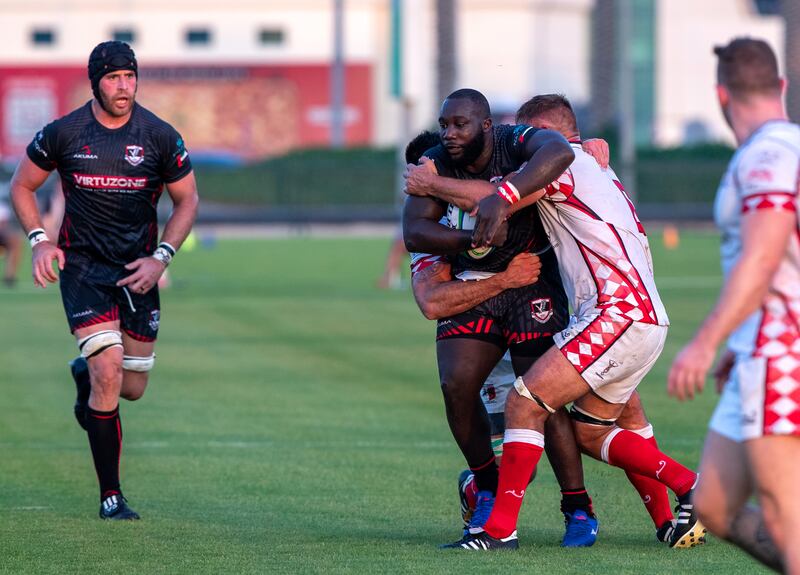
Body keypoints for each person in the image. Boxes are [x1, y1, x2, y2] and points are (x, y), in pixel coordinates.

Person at [425, 94, 702, 551]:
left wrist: (427, 181)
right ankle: (681, 499)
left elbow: (489, 200)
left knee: (525, 401)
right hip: (639, 315)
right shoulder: (597, 166)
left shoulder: (565, 162)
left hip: (616, 312)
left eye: (523, 140)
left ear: (545, 137)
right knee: (595, 430)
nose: (516, 150)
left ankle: (498, 532)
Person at [10, 40, 198, 520]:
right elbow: (23, 185)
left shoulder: (158, 135)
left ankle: (82, 375)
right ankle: (111, 496)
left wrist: (161, 258)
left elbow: (187, 201)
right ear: (95, 82)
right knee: (108, 369)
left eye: (130, 77)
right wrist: (39, 240)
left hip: (138, 272)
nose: (124, 86)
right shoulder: (65, 133)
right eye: (114, 78)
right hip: (84, 269)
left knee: (131, 388)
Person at [403, 90, 600, 548]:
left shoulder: (515, 141)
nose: (450, 134)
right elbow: (415, 232)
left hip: (532, 281)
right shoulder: (432, 163)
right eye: (445, 124)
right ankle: (486, 488)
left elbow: (557, 150)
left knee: (542, 395)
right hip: (480, 284)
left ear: (486, 126)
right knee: (456, 385)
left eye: (460, 125)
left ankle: (578, 505)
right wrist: (475, 237)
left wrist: (506, 194)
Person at [668, 38, 798, 573]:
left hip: (780, 345)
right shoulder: (777, 148)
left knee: (784, 514)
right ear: (782, 87)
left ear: (721, 95)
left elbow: (764, 256)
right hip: (757, 345)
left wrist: (705, 341)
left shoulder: (768, 153)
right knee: (715, 506)